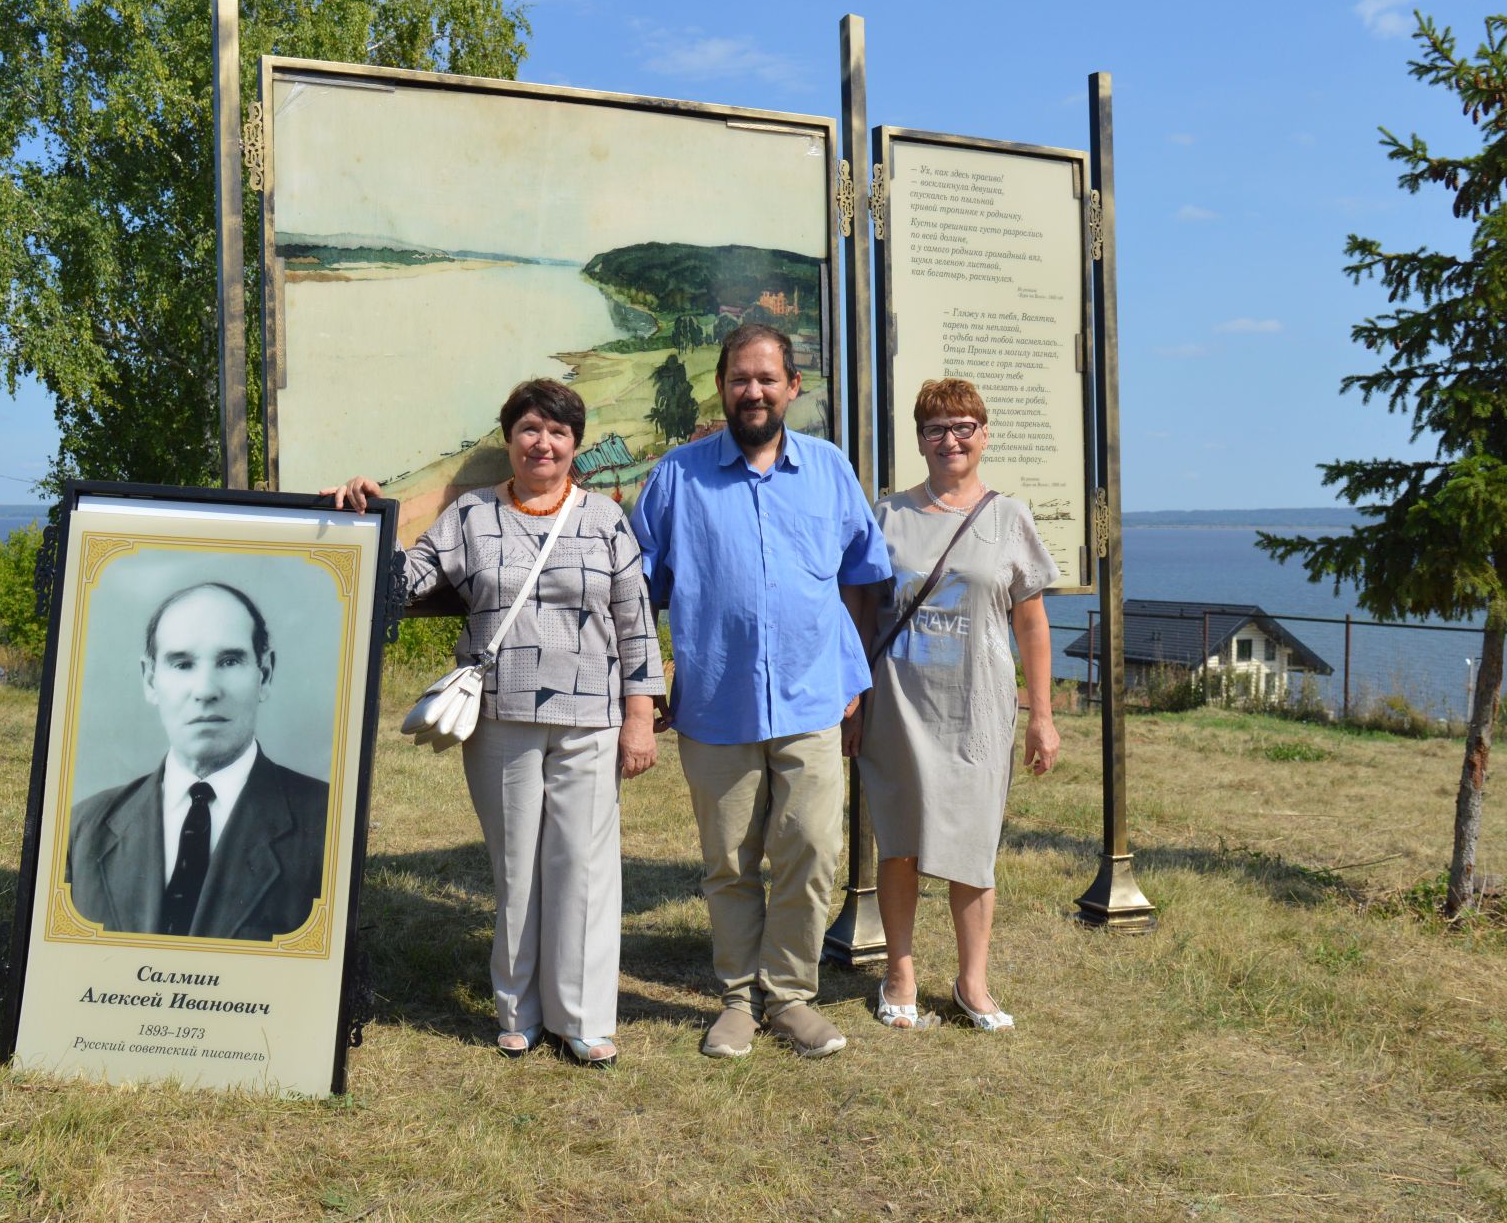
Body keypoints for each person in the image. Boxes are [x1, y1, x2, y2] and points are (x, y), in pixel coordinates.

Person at [324, 379, 664, 1067]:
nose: (544, 442)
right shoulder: (471, 515)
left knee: (584, 869)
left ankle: (583, 1018)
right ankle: (519, 1011)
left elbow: (636, 624)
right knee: (517, 868)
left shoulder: (605, 519)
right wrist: (369, 514)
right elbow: (405, 579)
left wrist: (640, 717)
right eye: (530, 429)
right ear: (508, 439)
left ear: (575, 444)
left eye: (559, 431)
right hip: (500, 717)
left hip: (590, 719)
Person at [631, 323, 892, 1060]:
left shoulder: (829, 469)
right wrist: (645, 686)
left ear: (792, 389)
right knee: (729, 863)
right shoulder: (677, 477)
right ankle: (739, 1001)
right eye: (740, 378)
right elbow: (632, 591)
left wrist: (854, 674)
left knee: (811, 848)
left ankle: (792, 996)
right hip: (717, 702)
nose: (754, 391)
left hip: (813, 698)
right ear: (722, 386)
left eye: (767, 378)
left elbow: (862, 575)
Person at [843, 378, 1061, 1034]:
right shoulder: (889, 515)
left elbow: (1032, 623)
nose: (951, 439)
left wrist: (1043, 714)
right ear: (919, 439)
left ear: (985, 434)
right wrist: (851, 698)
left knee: (973, 844)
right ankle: (900, 970)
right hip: (900, 704)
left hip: (978, 708)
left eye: (964, 425)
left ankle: (972, 979)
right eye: (937, 428)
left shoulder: (1008, 516)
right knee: (901, 839)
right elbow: (860, 609)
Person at [66, 582, 330, 943]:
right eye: (182, 663)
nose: (205, 690)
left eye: (229, 661)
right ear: (150, 679)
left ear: (264, 674)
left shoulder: (329, 822)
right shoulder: (84, 829)